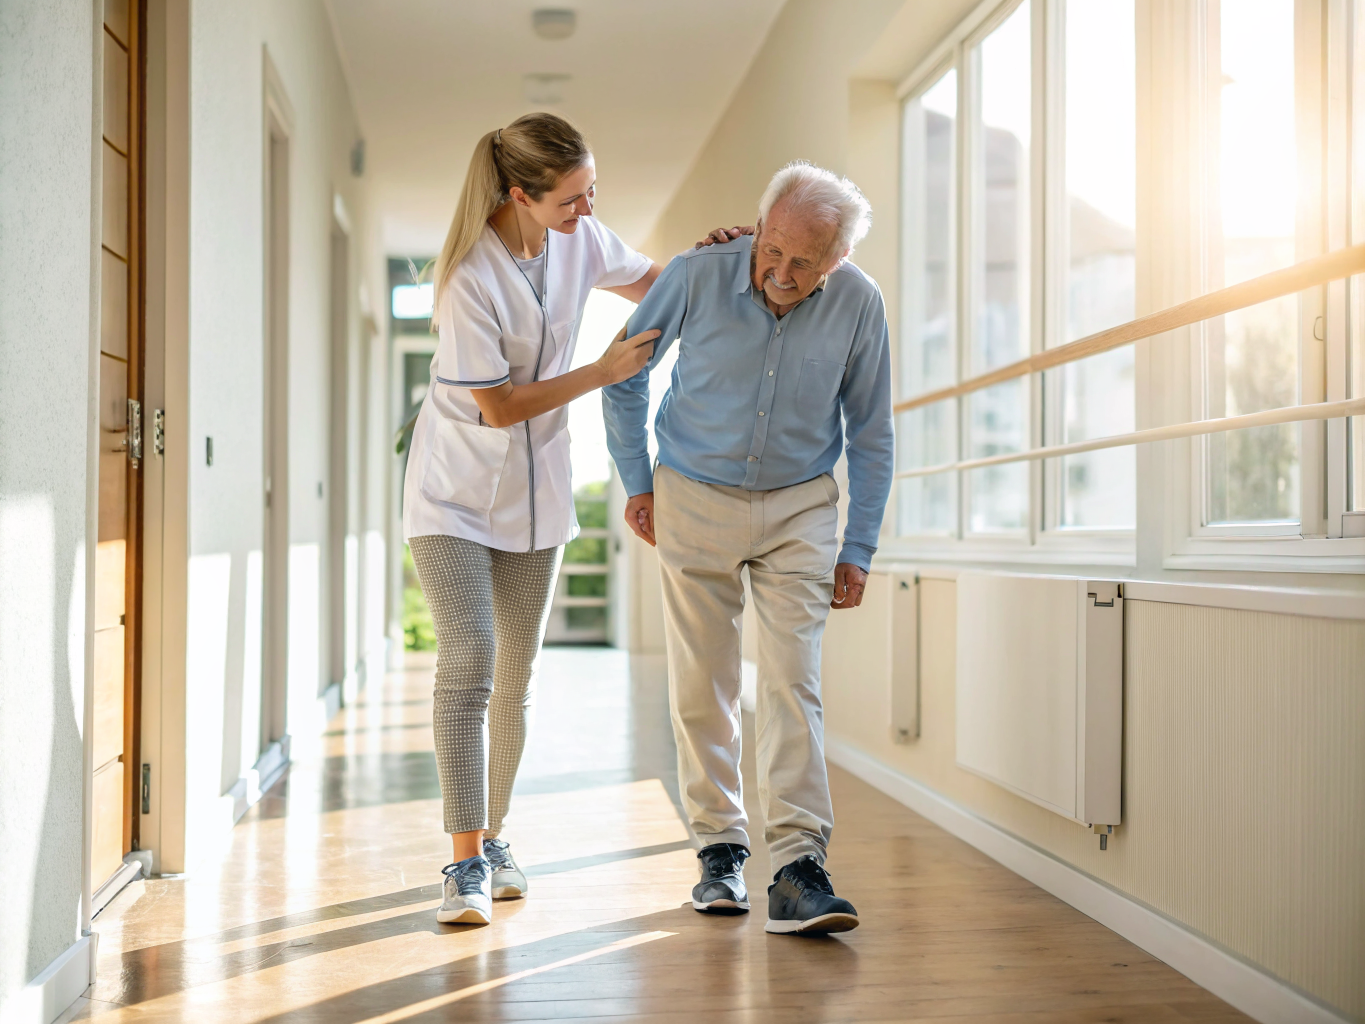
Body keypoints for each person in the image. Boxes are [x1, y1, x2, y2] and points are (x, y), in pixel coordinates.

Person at [404, 112, 742, 927]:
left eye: (592, 193)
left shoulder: (581, 240)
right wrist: (601, 370)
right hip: (451, 496)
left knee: (515, 677)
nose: (588, 210)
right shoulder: (469, 277)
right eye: (570, 199)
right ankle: (462, 863)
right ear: (519, 194)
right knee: (471, 659)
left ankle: (494, 839)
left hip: (538, 496)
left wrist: (717, 257)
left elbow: (663, 285)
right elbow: (496, 406)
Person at [603, 161, 894, 936]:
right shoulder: (697, 273)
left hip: (799, 505)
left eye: (805, 262)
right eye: (772, 250)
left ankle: (798, 866)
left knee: (794, 680)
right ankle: (719, 851)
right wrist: (637, 480)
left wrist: (859, 544)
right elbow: (623, 377)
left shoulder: (859, 303)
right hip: (692, 494)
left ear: (838, 257)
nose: (782, 274)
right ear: (757, 227)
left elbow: (870, 430)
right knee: (705, 678)